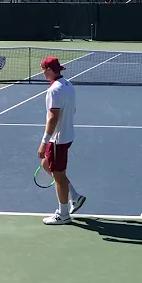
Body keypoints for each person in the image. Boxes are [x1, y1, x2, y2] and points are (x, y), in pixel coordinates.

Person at [38, 57, 86, 225]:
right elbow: (72, 110)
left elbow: (53, 117)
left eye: (43, 69)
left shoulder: (54, 90)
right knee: (46, 165)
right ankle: (74, 196)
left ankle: (63, 214)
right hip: (67, 136)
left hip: (57, 140)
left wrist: (44, 142)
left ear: (49, 70)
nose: (42, 73)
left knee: (58, 176)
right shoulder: (68, 85)